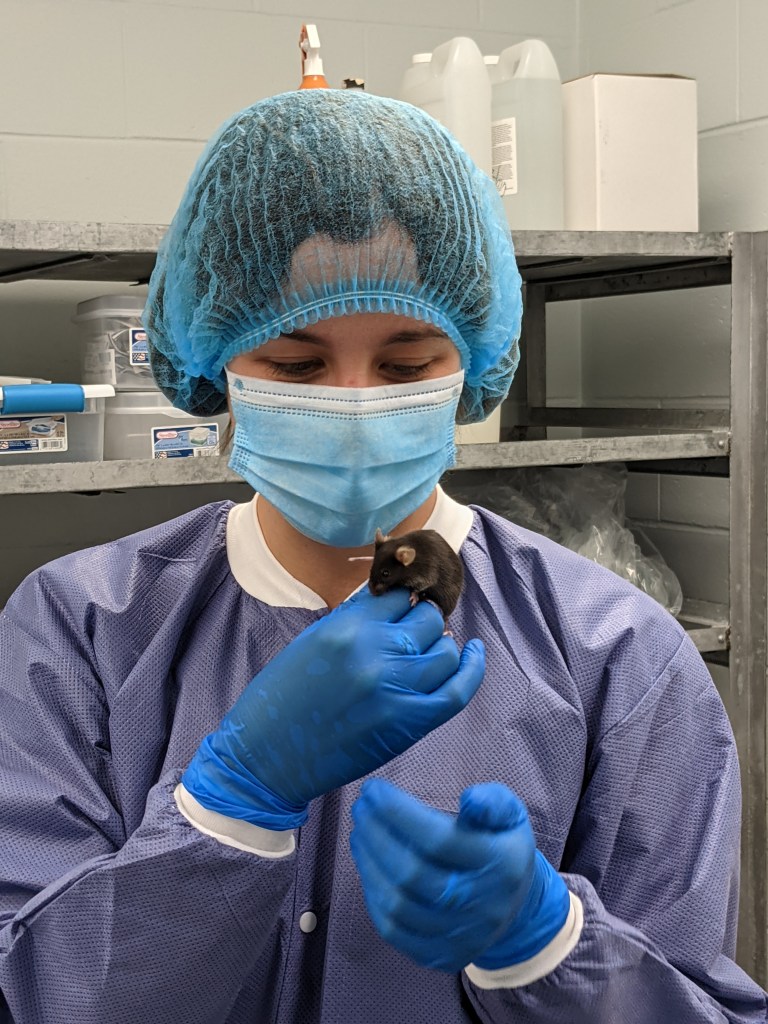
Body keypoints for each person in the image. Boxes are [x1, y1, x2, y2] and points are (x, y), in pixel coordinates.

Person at [0, 89, 765, 1024]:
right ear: (216, 365)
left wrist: (549, 947)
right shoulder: (77, 631)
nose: (357, 402)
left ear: (475, 365)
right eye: (295, 364)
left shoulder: (617, 658)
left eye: (407, 367)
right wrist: (228, 806)